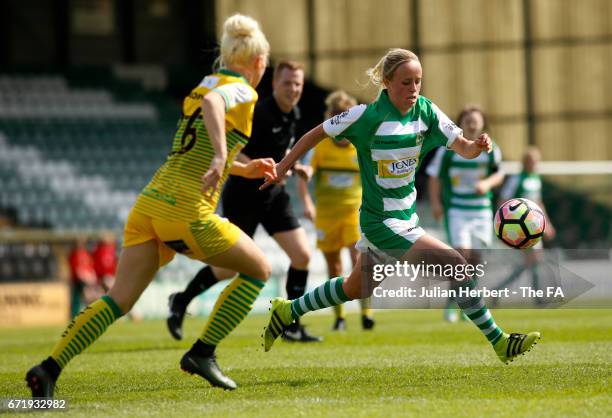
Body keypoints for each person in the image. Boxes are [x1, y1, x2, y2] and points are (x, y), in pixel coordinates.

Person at [26, 13, 274, 397]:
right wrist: (221, 155)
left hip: (151, 205)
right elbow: (213, 106)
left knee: (118, 300)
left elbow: (201, 136)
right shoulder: (242, 90)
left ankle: (48, 368)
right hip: (187, 211)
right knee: (259, 269)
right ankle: (203, 352)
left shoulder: (206, 81)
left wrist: (241, 168)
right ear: (258, 62)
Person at [261, 48, 541, 367]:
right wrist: (284, 165)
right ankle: (500, 341)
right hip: (382, 223)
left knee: (356, 287)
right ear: (387, 82)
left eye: (418, 82)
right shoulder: (365, 116)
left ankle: (288, 310)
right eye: (406, 82)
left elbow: (462, 147)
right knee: (457, 266)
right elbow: (316, 134)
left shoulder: (426, 112)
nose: (414, 89)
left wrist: (477, 147)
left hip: (406, 219)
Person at [167, 60, 322, 343]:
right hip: (243, 195)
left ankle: (290, 323)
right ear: (274, 84)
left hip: (273, 195)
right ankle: (180, 300)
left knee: (302, 255)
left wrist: (293, 165)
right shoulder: (259, 113)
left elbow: (278, 147)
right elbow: (231, 153)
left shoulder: (293, 113)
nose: (293, 89)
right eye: (287, 83)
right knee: (229, 267)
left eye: (298, 83)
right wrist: (258, 168)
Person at [297, 90, 374, 331]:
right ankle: (340, 317)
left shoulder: (360, 146)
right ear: (330, 117)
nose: (341, 119)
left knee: (358, 261)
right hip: (326, 215)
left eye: (346, 114)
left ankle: (366, 314)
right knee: (334, 267)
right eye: (337, 114)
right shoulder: (320, 147)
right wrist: (308, 204)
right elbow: (305, 176)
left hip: (354, 212)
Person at [426, 106, 504, 322]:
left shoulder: (491, 149)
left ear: (482, 124)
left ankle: (468, 307)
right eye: (467, 120)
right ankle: (452, 304)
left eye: (475, 120)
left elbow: (499, 174)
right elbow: (434, 177)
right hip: (457, 211)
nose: (471, 124)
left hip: (480, 212)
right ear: (460, 123)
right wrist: (435, 203)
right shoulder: (449, 150)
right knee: (461, 257)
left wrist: (487, 183)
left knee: (475, 261)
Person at [492, 146, 556, 305]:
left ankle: (498, 291)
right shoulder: (516, 179)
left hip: (534, 226)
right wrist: (502, 225)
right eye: (531, 161)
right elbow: (503, 200)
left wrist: (547, 224)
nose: (534, 164)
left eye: (536, 161)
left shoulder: (535, 179)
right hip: (520, 228)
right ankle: (538, 299)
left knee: (533, 261)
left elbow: (539, 204)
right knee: (533, 260)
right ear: (525, 162)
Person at [68, 238, 102, 318]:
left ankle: (91, 314)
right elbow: (78, 270)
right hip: (78, 281)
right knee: (77, 300)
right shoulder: (75, 254)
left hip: (87, 280)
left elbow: (90, 268)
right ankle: (74, 316)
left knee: (92, 297)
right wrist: (88, 279)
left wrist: (92, 278)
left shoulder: (86, 254)